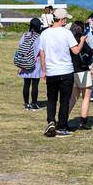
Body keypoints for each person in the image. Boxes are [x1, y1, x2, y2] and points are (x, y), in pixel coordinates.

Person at [38, 8, 83, 137]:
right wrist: (82, 42)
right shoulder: (66, 33)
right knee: (64, 100)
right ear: (62, 20)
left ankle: (51, 121)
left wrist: (44, 70)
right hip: (66, 71)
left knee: (51, 99)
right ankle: (62, 126)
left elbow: (42, 53)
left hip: (51, 71)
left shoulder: (45, 33)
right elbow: (75, 51)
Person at [67, 21, 93, 130]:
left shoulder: (69, 39)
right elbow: (91, 52)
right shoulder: (80, 38)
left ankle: (63, 118)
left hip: (72, 71)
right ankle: (83, 121)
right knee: (86, 97)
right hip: (83, 71)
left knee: (72, 98)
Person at [17, 18, 43, 110]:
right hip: (36, 63)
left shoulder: (25, 35)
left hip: (25, 62)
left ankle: (26, 103)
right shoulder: (39, 37)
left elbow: (20, 45)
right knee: (35, 84)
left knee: (26, 84)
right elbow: (41, 50)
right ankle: (34, 103)